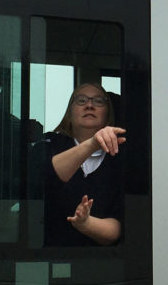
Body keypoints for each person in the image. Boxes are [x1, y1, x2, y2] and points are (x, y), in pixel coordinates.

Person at [42, 84, 126, 246]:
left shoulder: (120, 157)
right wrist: (92, 144)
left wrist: (86, 224)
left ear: (108, 114)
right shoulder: (50, 143)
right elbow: (45, 176)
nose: (89, 105)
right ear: (69, 113)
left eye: (99, 101)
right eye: (81, 101)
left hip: (104, 261)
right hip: (49, 255)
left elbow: (118, 227)